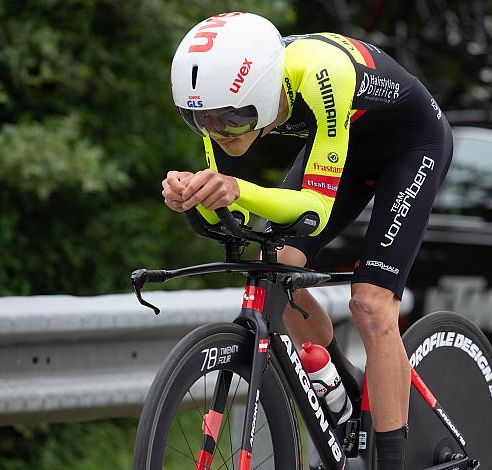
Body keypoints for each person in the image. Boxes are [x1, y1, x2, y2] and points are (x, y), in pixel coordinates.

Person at [162, 12, 452, 469]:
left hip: (411, 144)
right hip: (342, 146)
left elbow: (312, 212)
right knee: (277, 269)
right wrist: (194, 196)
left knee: (372, 305)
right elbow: (236, 211)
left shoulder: (321, 73)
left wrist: (236, 188)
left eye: (232, 117)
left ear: (258, 93)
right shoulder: (231, 98)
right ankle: (342, 382)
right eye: (202, 119)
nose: (219, 130)